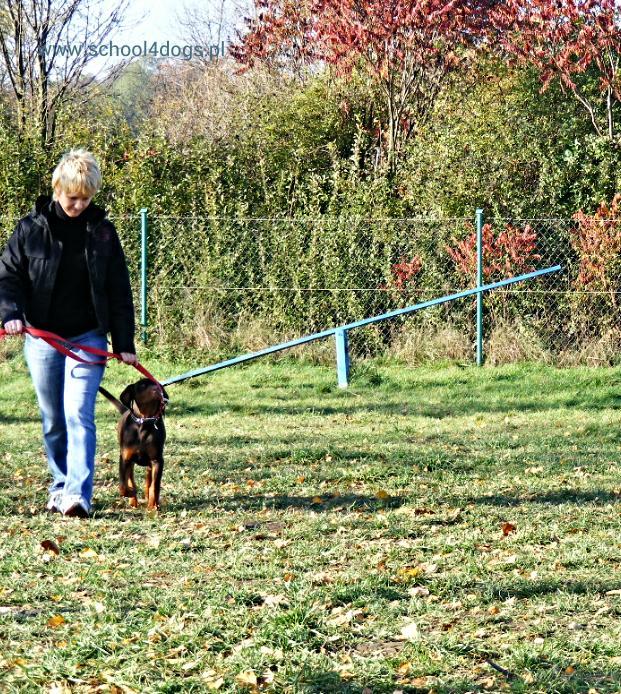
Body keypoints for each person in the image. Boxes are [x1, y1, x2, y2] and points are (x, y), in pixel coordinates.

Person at [0, 148, 137, 518]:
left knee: (79, 413)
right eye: (71, 196)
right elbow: (8, 277)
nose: (78, 204)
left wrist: (124, 343)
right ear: (57, 189)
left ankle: (78, 494)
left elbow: (119, 291)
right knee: (53, 417)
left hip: (88, 336)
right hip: (42, 336)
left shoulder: (103, 234)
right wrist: (10, 313)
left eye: (85, 198)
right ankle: (59, 485)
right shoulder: (30, 229)